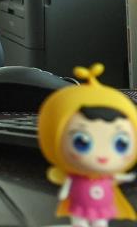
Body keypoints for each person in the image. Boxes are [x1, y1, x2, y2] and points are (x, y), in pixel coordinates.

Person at [38, 64, 137, 226]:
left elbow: (117, 178)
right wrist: (64, 192)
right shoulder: (74, 176)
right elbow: (66, 187)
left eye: (121, 144)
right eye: (82, 143)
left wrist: (126, 176)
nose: (102, 156)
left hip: (102, 208)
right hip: (79, 207)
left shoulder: (108, 175)